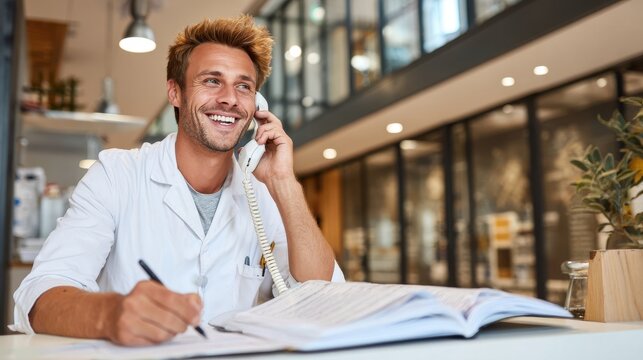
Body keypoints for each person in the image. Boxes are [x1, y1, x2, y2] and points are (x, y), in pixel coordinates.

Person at [12, 15, 344, 346]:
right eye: (212, 81)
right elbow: (39, 294)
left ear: (257, 106)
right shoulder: (117, 174)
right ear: (175, 92)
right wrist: (110, 315)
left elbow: (323, 296)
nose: (230, 98)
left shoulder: (264, 193)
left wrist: (284, 182)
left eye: (244, 86)